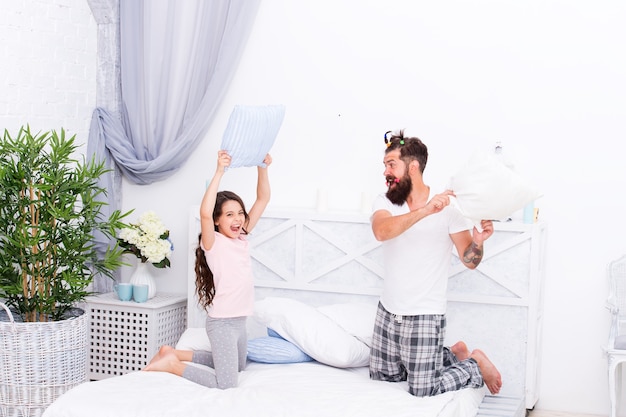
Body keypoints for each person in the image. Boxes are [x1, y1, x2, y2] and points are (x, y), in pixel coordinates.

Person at [368, 130, 502, 397]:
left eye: (391, 164)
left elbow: (470, 261)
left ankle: (474, 363)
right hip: (388, 313)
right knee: (385, 378)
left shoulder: (450, 209)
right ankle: (451, 355)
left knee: (424, 388)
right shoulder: (386, 202)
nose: (386, 171)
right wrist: (426, 210)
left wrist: (478, 241)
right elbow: (381, 231)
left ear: (413, 167)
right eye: (385, 165)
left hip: (425, 315)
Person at [144, 150, 272, 389]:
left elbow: (263, 199)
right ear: (216, 220)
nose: (237, 219)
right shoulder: (213, 243)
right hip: (222, 323)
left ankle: (175, 353)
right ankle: (172, 365)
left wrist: (262, 168)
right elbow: (204, 211)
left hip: (239, 322)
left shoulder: (241, 237)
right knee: (227, 383)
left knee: (239, 366)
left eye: (240, 214)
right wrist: (219, 171)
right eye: (229, 215)